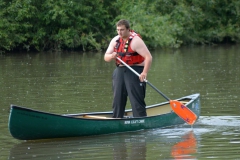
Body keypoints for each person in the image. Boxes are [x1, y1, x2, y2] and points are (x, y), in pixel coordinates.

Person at [104, 19, 152, 118]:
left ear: (128, 29)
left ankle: (140, 120)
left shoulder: (136, 41)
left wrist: (144, 73)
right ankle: (117, 119)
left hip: (135, 71)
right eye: (118, 30)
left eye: (122, 30)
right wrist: (112, 56)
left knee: (136, 100)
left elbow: (149, 57)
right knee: (118, 99)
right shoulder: (115, 40)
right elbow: (106, 57)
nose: (119, 32)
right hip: (120, 71)